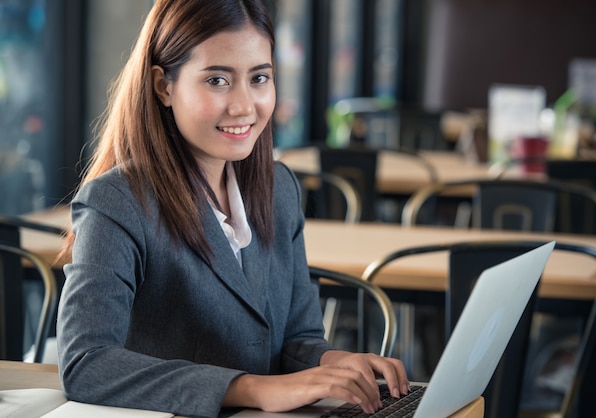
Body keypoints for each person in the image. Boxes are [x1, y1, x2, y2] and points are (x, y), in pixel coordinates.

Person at [56, 0, 410, 416]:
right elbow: (86, 363)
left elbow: (298, 338)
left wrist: (335, 363)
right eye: (218, 81)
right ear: (163, 86)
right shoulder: (117, 202)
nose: (244, 105)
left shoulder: (279, 189)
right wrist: (254, 390)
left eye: (259, 77)